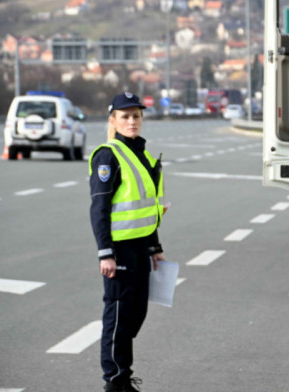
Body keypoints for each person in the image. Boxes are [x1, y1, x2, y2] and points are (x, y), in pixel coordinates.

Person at [89, 92, 166, 392]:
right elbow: (100, 208)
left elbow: (148, 207)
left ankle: (121, 374)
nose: (132, 121)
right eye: (125, 116)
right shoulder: (108, 156)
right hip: (118, 249)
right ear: (113, 121)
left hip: (139, 248)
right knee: (119, 313)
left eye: (136, 116)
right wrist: (105, 253)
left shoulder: (143, 154)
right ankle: (116, 380)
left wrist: (155, 247)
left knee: (136, 314)